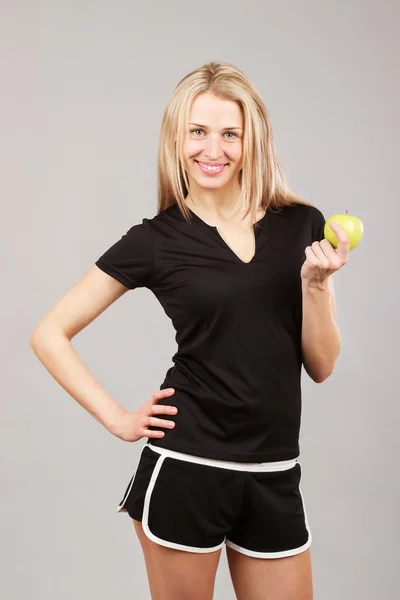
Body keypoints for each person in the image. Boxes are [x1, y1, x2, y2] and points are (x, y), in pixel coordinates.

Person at [31, 61, 349, 600]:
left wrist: (315, 285)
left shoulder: (303, 226)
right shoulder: (156, 240)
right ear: (177, 140)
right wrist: (118, 419)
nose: (213, 149)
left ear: (253, 141)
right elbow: (49, 333)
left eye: (231, 134)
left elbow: (321, 366)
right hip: (187, 467)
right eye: (198, 132)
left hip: (276, 473)